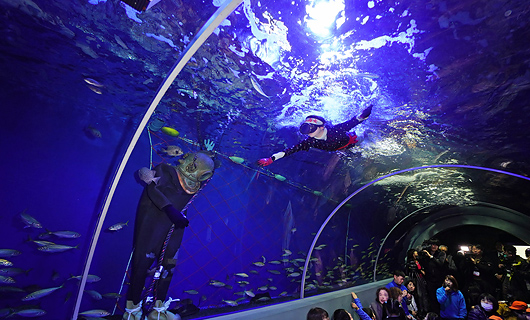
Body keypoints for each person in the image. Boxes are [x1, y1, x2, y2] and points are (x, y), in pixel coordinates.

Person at [123, 151, 216, 320]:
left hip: (175, 227)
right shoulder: (165, 171)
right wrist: (169, 209)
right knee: (141, 264)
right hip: (152, 225)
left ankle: (158, 310)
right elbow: (153, 190)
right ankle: (132, 309)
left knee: (168, 266)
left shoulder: (197, 185)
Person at [257, 105, 373, 166]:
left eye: (312, 127)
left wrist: (364, 114)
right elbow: (289, 151)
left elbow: (353, 121)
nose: (309, 130)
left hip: (351, 140)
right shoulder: (309, 141)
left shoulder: (335, 130)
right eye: (306, 127)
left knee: (364, 140)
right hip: (338, 148)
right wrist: (271, 159)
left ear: (321, 127)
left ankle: (368, 134)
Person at [406, 249, 429, 314]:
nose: (417, 253)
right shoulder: (411, 262)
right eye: (415, 252)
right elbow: (413, 271)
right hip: (416, 279)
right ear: (413, 254)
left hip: (421, 278)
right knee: (419, 295)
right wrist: (420, 270)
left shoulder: (418, 261)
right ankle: (421, 309)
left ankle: (425, 308)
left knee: (424, 294)